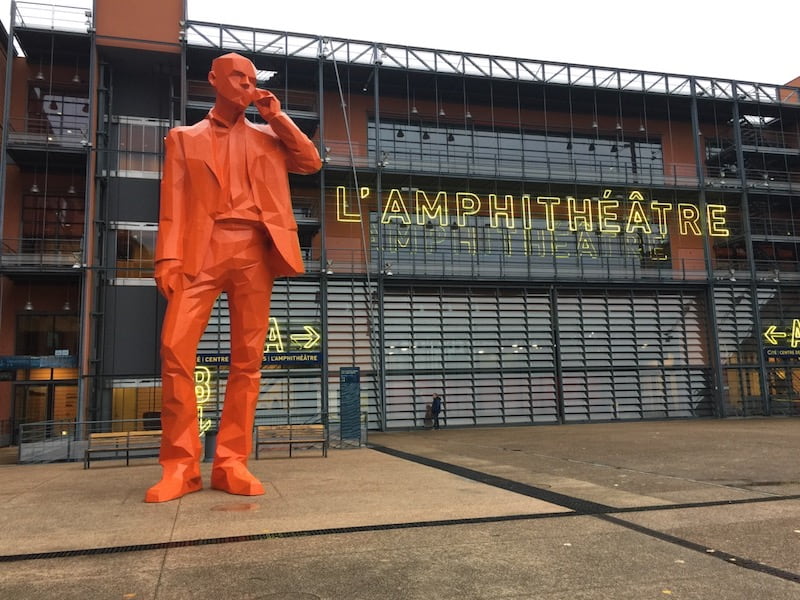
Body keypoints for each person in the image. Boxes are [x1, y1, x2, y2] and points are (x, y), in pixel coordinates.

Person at [145, 52, 322, 503]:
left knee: (247, 361)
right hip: (200, 252)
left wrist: (277, 116)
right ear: (214, 80)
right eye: (237, 77)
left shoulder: (268, 138)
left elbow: (310, 162)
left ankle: (231, 462)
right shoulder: (184, 138)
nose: (246, 84)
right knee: (175, 349)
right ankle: (181, 466)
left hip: (253, 254)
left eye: (251, 78)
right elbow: (173, 204)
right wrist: (166, 259)